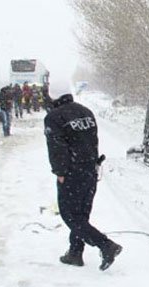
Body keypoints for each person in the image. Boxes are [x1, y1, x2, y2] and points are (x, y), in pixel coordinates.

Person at [44, 89, 122, 271]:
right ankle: (75, 252)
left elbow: (56, 147)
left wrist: (60, 171)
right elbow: (92, 141)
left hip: (72, 172)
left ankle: (106, 245)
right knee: (81, 214)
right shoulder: (85, 111)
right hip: (90, 170)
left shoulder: (54, 117)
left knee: (70, 215)